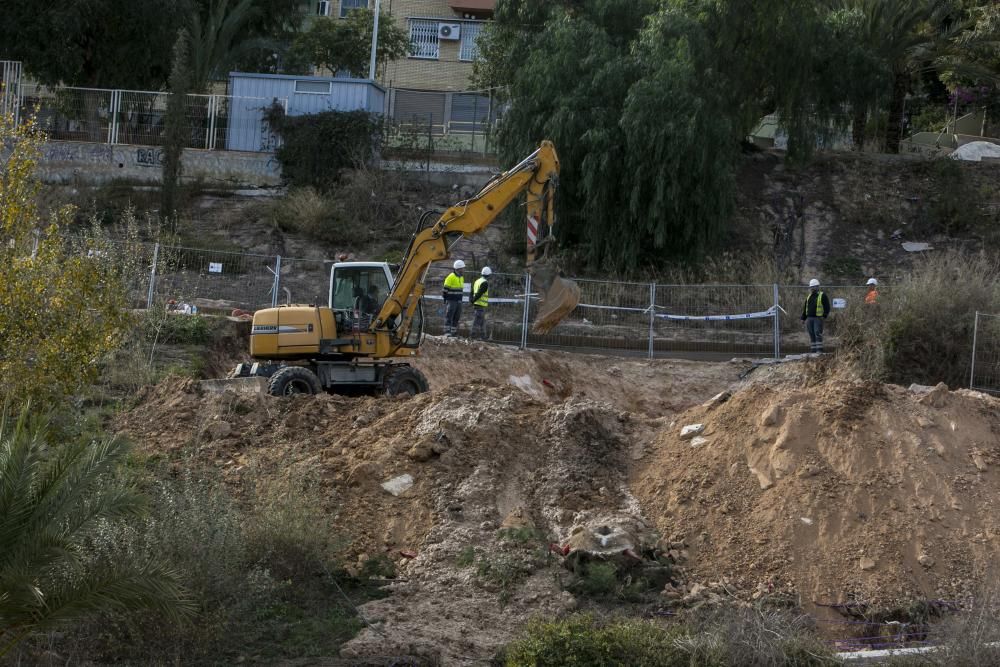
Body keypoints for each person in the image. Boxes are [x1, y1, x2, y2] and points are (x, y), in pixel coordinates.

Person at [801, 278, 831, 353]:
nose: (813, 288)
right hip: (809, 318)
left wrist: (824, 316)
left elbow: (827, 307)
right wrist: (803, 318)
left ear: (818, 287)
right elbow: (805, 308)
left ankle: (819, 351)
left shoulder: (822, 295)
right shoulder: (809, 297)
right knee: (811, 334)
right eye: (811, 287)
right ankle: (813, 351)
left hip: (818, 318)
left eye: (814, 287)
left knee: (817, 333)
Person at [442, 259, 466, 336]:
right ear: (458, 268)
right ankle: (447, 332)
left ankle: (453, 332)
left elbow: (460, 290)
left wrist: (460, 300)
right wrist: (446, 299)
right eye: (463, 268)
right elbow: (445, 290)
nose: (464, 270)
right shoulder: (450, 277)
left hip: (458, 301)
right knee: (449, 316)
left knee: (456, 317)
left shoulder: (461, 278)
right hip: (451, 300)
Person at [470, 266, 492, 339]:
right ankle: (472, 336)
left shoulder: (477, 281)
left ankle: (483, 336)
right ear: (488, 275)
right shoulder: (485, 283)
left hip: (478, 305)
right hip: (480, 305)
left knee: (482, 321)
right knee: (477, 321)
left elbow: (472, 291)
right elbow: (479, 293)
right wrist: (473, 300)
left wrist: (471, 300)